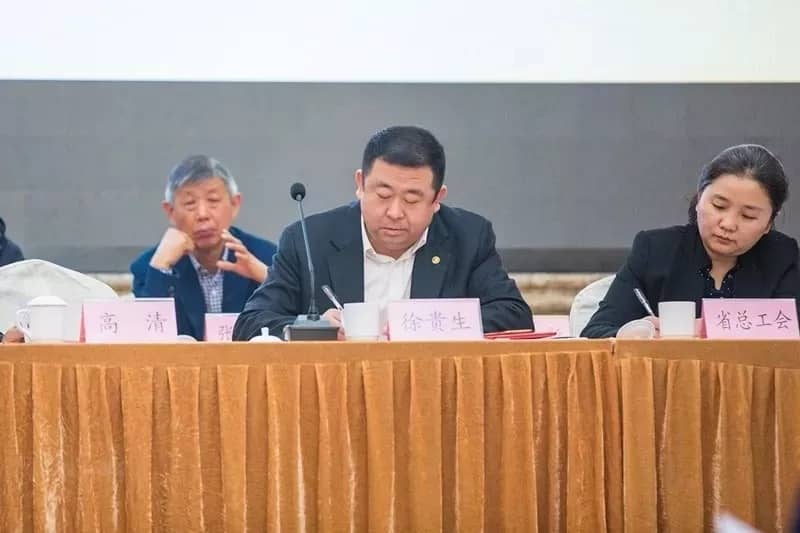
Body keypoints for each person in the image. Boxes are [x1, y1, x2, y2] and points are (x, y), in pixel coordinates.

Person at [233, 125, 533, 340]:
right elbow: (251, 323)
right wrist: (313, 328)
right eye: (383, 194)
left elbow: (514, 315)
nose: (394, 212)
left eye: (412, 199)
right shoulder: (309, 240)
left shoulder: (468, 236)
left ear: (437, 199)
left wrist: (418, 326)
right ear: (360, 184)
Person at [582, 144, 800, 338]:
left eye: (748, 216)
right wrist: (631, 333)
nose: (728, 224)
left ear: (769, 222)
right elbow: (596, 332)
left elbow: (791, 330)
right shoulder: (655, 249)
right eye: (719, 206)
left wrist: (698, 329)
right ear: (699, 199)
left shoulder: (783, 257)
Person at [131, 155, 276, 340]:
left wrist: (265, 276)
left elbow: (296, 324)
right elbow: (143, 339)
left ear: (234, 204)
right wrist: (160, 267)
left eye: (213, 200)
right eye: (190, 204)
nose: (202, 214)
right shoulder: (150, 268)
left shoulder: (268, 257)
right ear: (170, 211)